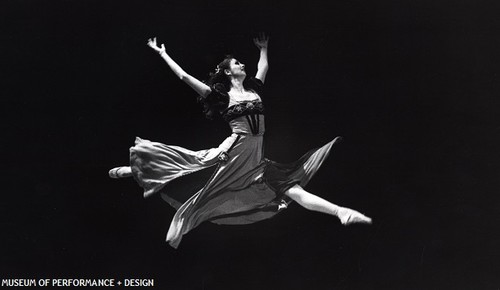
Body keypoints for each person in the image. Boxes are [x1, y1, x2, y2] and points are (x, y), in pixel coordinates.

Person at [109, 34, 372, 248]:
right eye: (237, 63)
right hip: (232, 152)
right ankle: (135, 169)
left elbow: (263, 67)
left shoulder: (254, 89)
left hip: (256, 158)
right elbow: (184, 77)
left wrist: (264, 49)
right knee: (193, 167)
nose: (242, 65)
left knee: (292, 189)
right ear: (227, 72)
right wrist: (162, 53)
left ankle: (341, 212)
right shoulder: (221, 97)